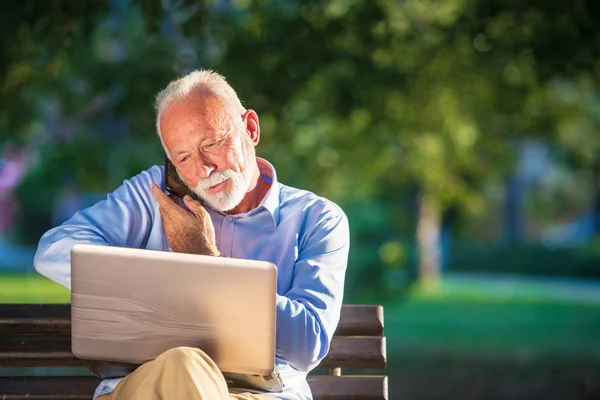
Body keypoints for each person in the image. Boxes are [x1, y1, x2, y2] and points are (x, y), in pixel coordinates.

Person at [34, 70, 350, 400]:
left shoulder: (318, 219)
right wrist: (154, 280)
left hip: (261, 395)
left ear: (251, 129)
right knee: (183, 366)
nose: (203, 168)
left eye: (211, 144)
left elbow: (307, 345)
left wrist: (207, 261)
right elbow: (53, 251)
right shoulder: (154, 194)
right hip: (150, 385)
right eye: (183, 157)